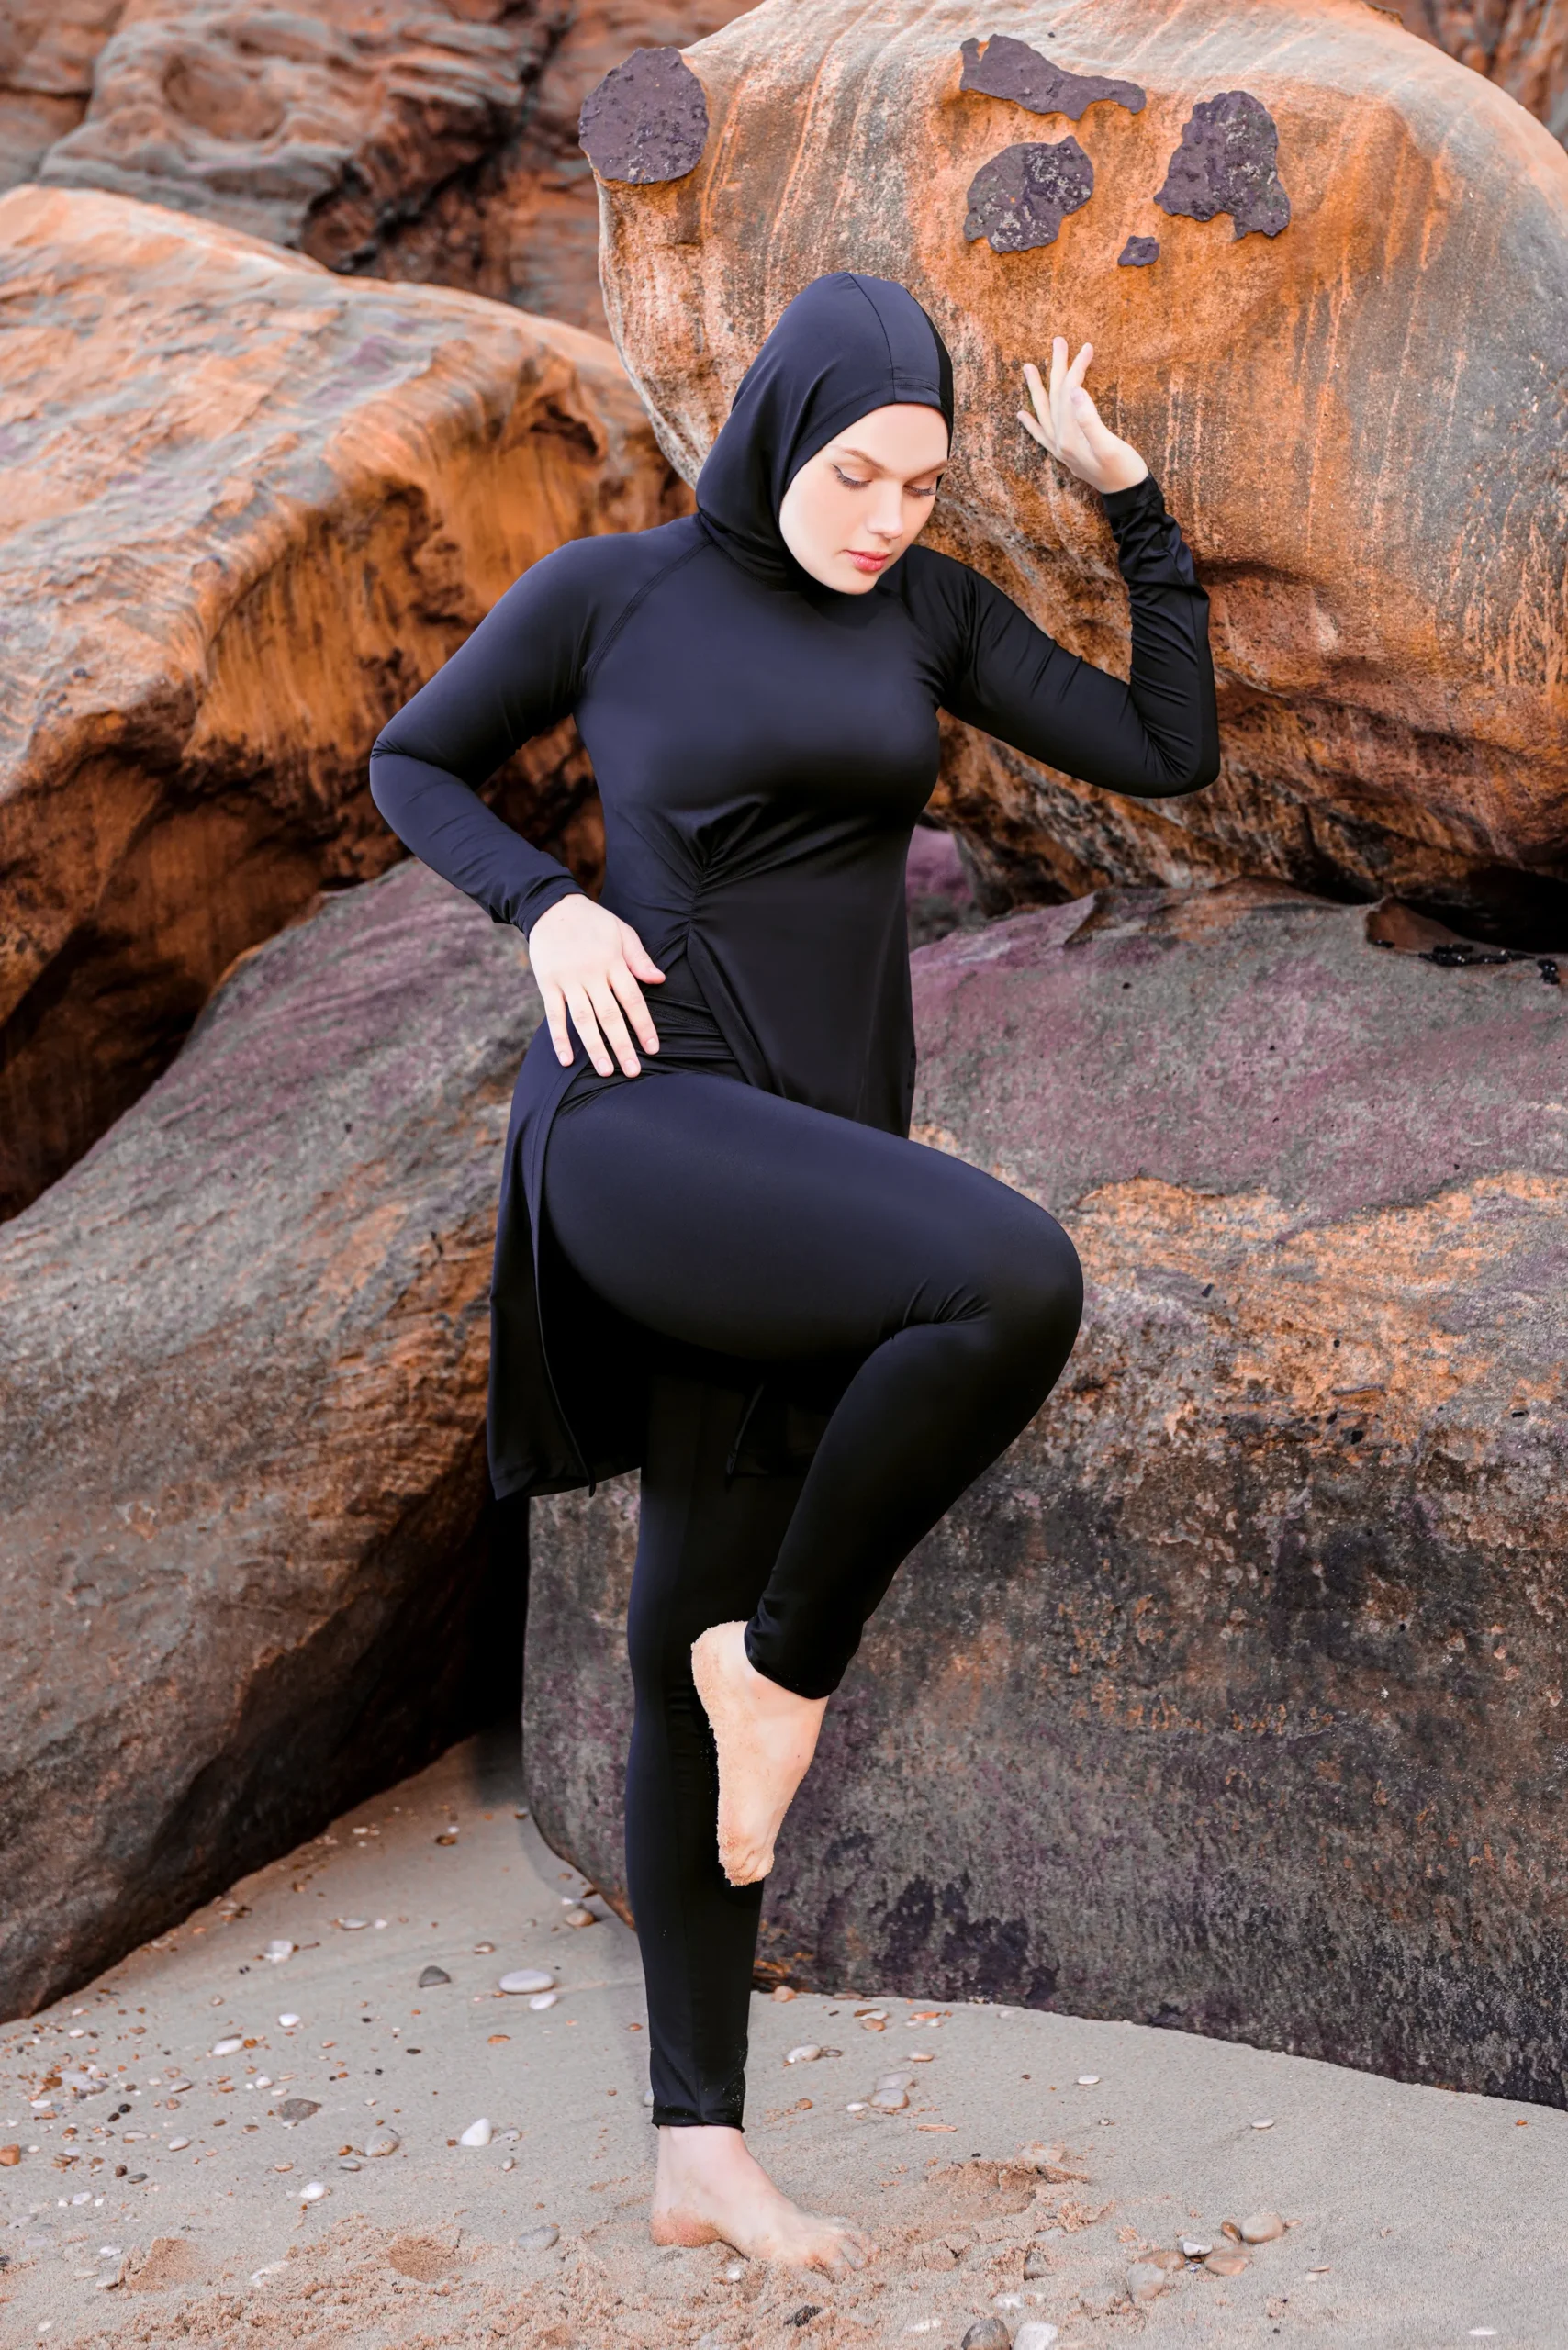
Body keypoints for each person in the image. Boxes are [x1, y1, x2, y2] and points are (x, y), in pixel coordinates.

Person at [369, 271, 1217, 2274]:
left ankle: (699, 2149)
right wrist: (543, 904)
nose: (886, 518)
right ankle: (788, 1671)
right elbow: (412, 763)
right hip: (640, 1116)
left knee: (691, 1611)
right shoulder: (614, 594)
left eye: (921, 486)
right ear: (776, 432)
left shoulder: (924, 616)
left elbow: (1165, 750)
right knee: (1010, 1277)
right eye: (856, 476)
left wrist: (1130, 505)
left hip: (810, 1155)